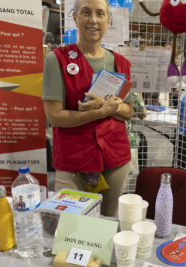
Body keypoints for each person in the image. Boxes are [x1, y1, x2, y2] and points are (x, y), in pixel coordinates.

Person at [42, 0, 134, 217]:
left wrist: (109, 107)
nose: (93, 20)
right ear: (74, 17)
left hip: (115, 159)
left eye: (100, 14)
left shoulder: (121, 63)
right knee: (71, 227)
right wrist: (101, 111)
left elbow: (129, 111)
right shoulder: (56, 60)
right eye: (86, 12)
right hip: (74, 162)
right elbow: (54, 117)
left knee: (109, 222)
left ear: (108, 20)